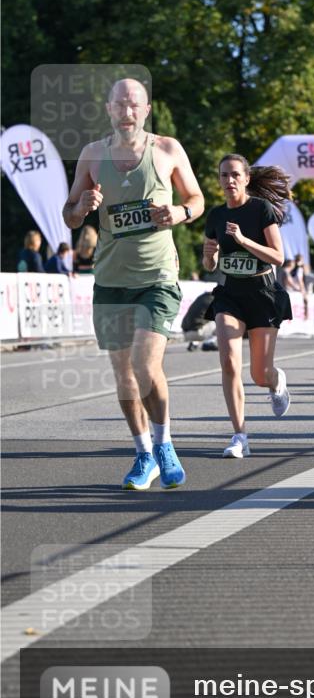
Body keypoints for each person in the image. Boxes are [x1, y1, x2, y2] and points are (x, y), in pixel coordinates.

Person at [63, 77, 205, 490]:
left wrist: (179, 214)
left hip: (157, 276)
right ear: (108, 110)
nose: (127, 111)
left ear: (146, 110)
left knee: (146, 365)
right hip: (109, 280)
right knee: (124, 375)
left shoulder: (167, 150)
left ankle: (165, 445)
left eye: (134, 105)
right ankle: (143, 453)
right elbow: (69, 215)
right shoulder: (91, 156)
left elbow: (196, 200)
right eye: (119, 104)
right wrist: (82, 207)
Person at [202, 153, 293, 459]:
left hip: (263, 293)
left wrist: (243, 241)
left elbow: (278, 257)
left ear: (246, 179)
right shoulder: (215, 216)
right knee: (228, 361)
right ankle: (240, 436)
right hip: (231, 294)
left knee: (258, 374)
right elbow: (211, 263)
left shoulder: (260, 210)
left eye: (235, 175)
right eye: (224, 175)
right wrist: (210, 256)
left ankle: (276, 380)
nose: (229, 181)